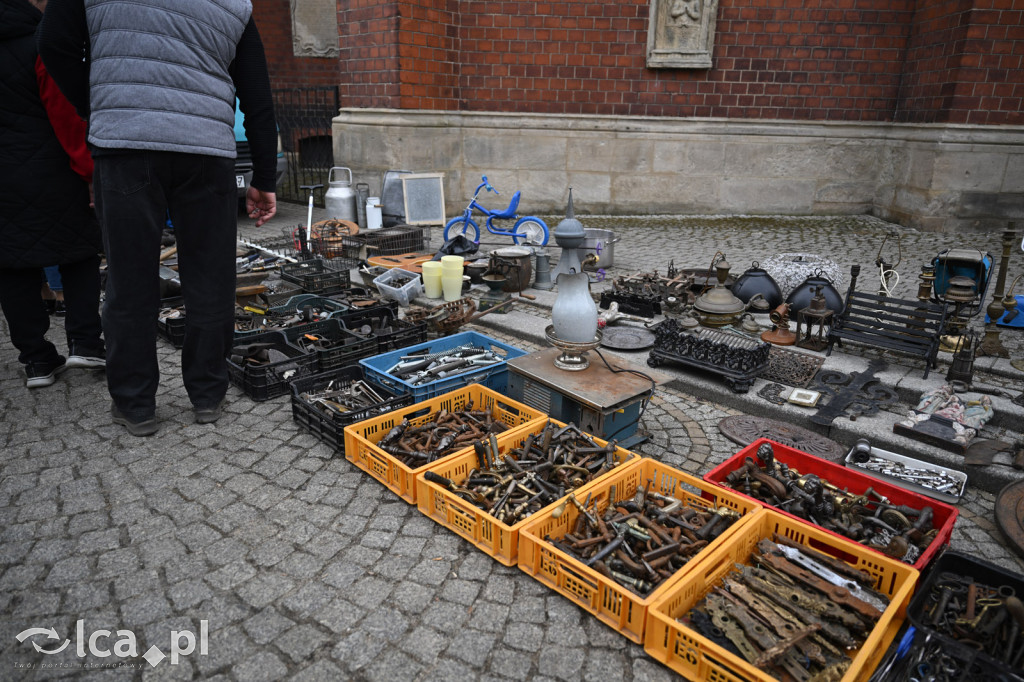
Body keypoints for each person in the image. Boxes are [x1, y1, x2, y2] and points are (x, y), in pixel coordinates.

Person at [39, 0, 278, 436]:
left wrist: (99, 105)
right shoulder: (232, 3)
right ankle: (208, 394)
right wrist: (264, 176)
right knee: (210, 280)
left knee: (131, 281)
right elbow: (257, 93)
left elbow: (53, 43)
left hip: (127, 143)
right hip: (206, 149)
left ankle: (135, 405)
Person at [0, 0, 105, 390]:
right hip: (53, 170)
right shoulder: (40, 42)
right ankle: (86, 342)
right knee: (78, 254)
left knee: (11, 267)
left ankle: (36, 360)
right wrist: (90, 171)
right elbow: (65, 112)